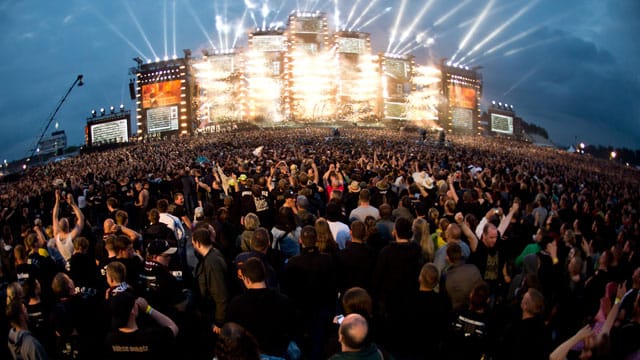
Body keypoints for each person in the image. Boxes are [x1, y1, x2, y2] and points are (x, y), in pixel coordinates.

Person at [281, 225, 337, 360]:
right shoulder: (327, 259)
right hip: (322, 310)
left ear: (300, 240)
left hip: (302, 312)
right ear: (316, 239)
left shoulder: (293, 263)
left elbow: (287, 289)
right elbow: (334, 284)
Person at [225, 257, 297, 359]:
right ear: (264, 276)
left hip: (249, 355)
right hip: (278, 354)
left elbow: (231, 333)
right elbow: (292, 329)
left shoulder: (236, 304)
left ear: (247, 279)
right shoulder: (284, 301)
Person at [104, 291, 178, 360]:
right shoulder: (150, 336)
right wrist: (148, 309)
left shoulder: (110, 339)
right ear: (132, 310)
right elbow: (173, 327)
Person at [192, 227, 230, 334]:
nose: (193, 246)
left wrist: (219, 322)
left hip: (214, 316)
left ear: (198, 243)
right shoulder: (214, 253)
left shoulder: (211, 263)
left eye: (193, 243)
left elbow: (220, 294)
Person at [51, 190, 85, 267]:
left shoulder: (56, 236)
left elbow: (54, 217)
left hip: (66, 263)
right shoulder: (71, 236)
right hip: (76, 263)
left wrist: (57, 201)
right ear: (68, 226)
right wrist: (73, 204)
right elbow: (81, 219)